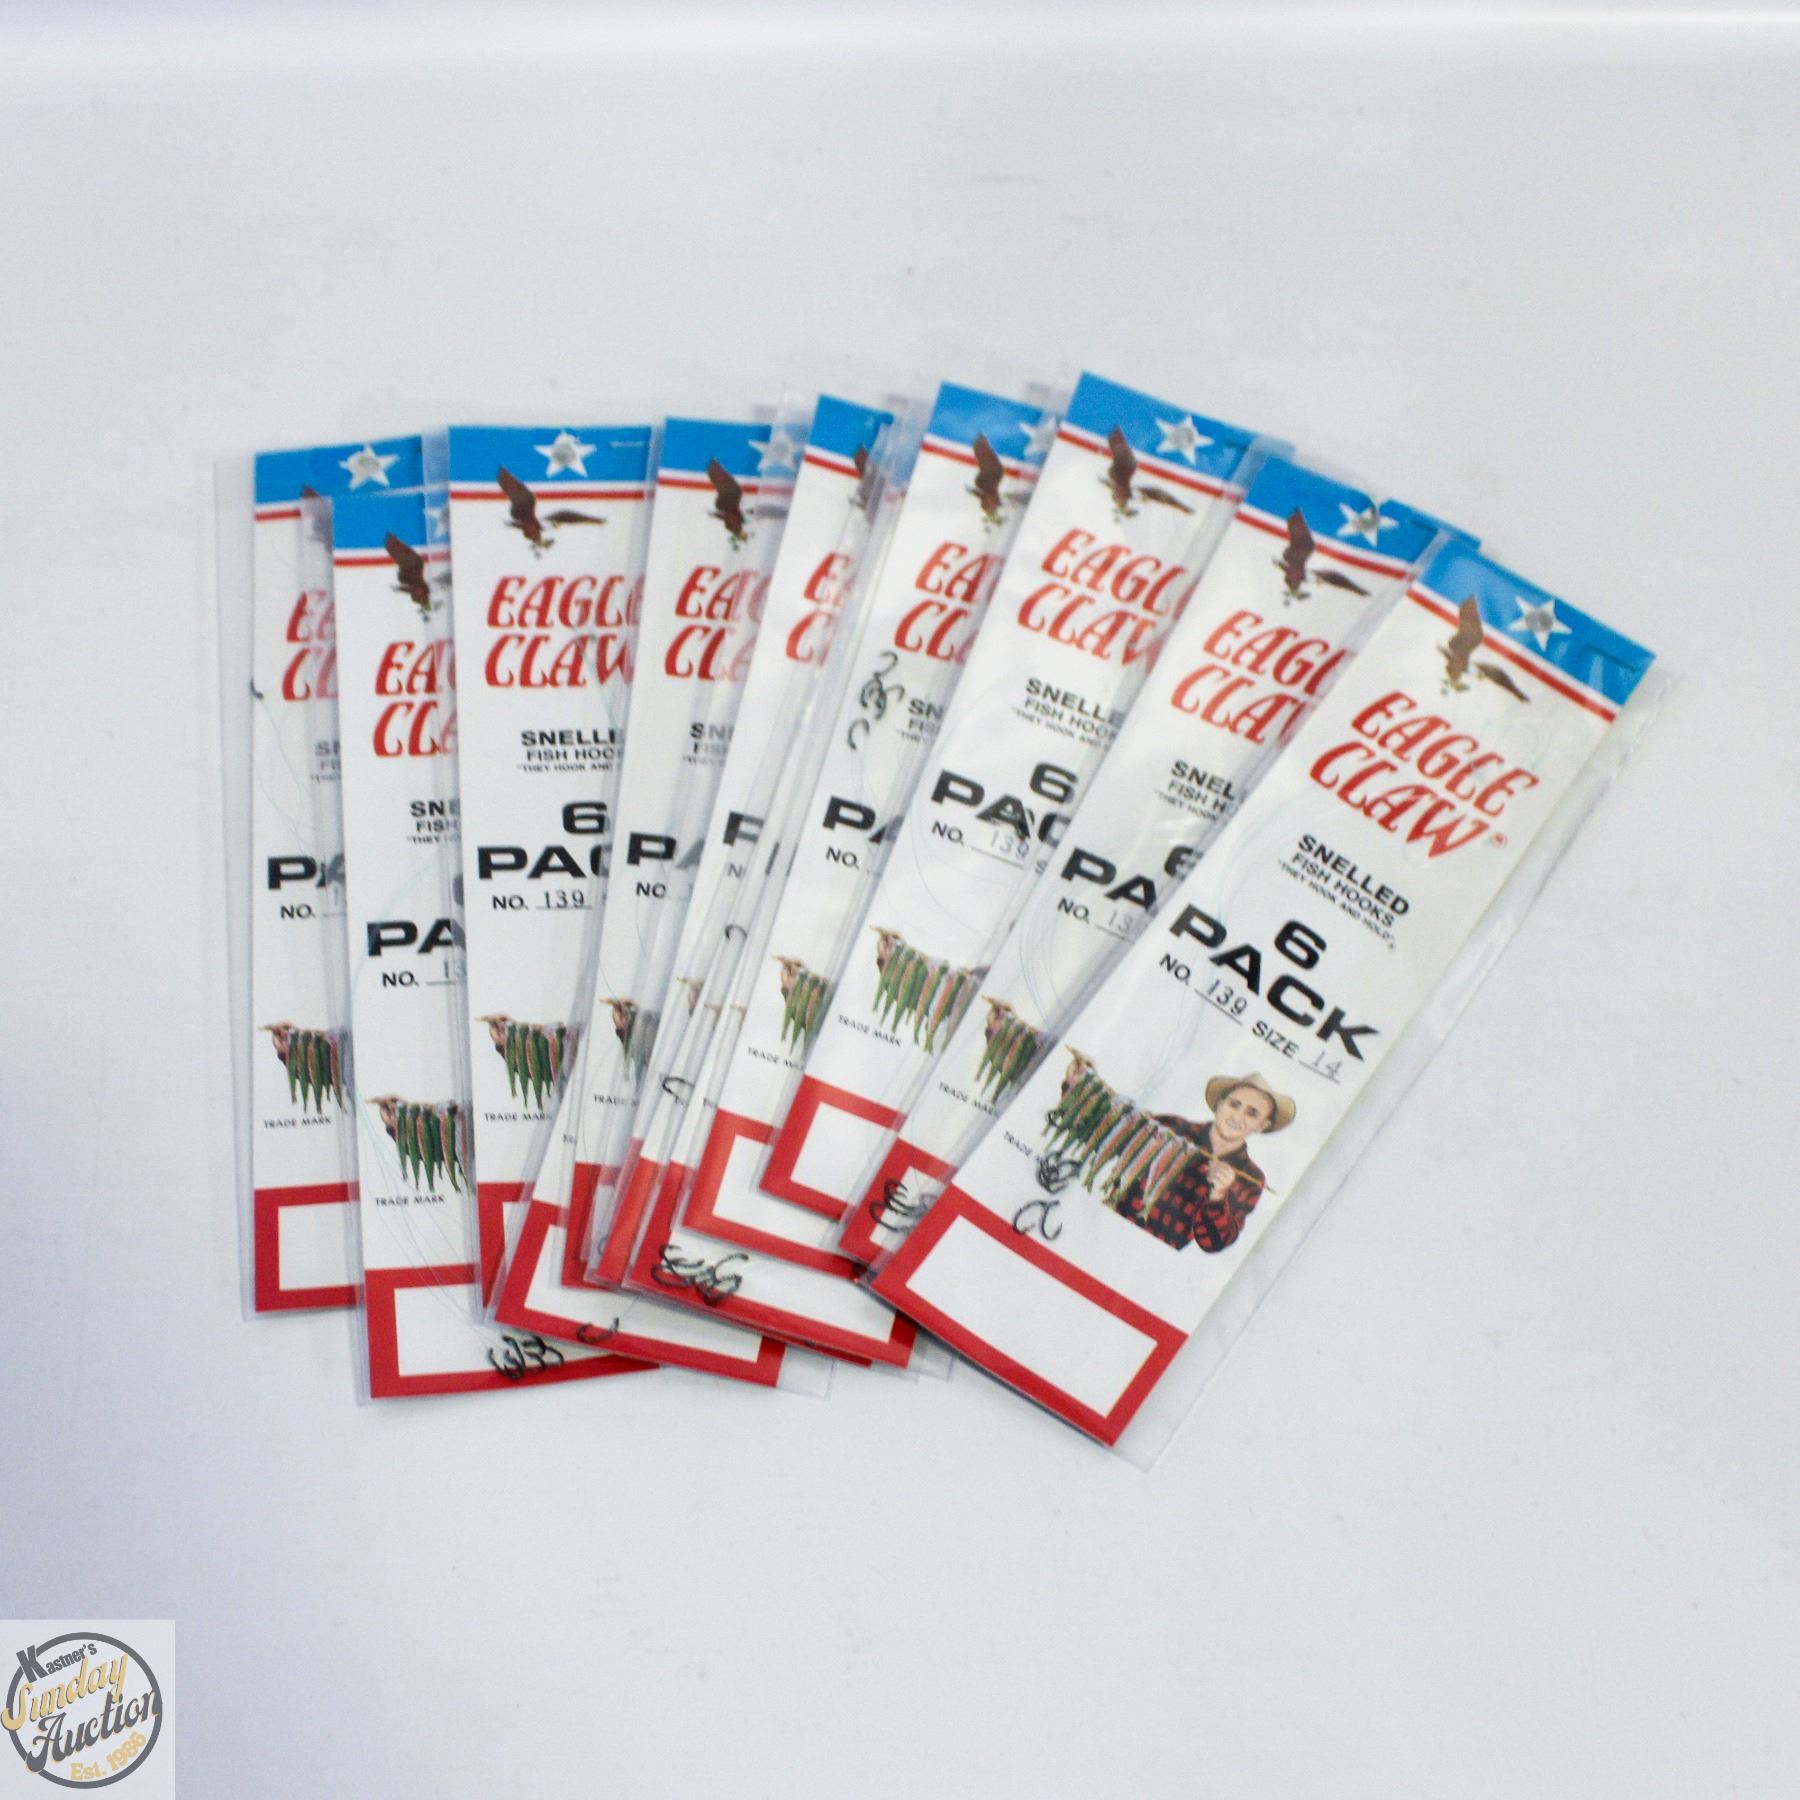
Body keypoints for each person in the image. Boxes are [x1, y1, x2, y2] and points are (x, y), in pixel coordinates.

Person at [1111, 1072, 1295, 1253]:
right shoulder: (1170, 1126)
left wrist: (1218, 1197)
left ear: (1262, 1125)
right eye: (1234, 1105)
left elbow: (1213, 1245)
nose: (1237, 1117)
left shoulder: (1251, 1179)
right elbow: (1111, 1140)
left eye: (1252, 1114)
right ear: (1219, 1104)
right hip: (1111, 1227)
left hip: (1161, 1257)